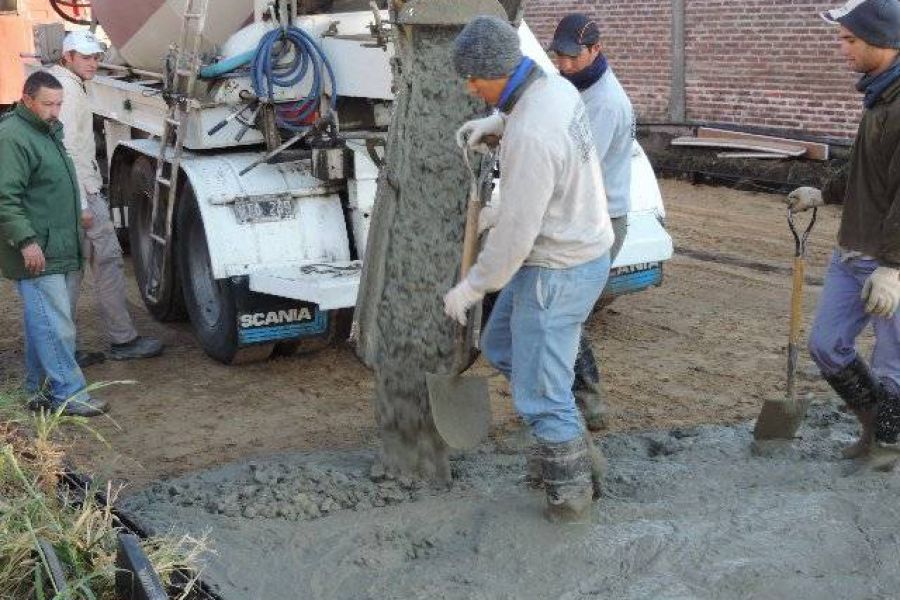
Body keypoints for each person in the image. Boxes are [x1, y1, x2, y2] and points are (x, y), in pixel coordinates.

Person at [447, 15, 614, 522]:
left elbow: (516, 235)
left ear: (499, 69)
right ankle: (571, 437)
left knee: (540, 394)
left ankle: (570, 498)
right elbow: (528, 117)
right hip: (574, 246)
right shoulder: (552, 89)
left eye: (475, 77)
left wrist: (474, 286)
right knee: (500, 346)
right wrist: (496, 123)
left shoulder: (533, 135)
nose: (470, 86)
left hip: (556, 270)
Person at [787, 0, 900, 459]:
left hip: (888, 257)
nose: (842, 47)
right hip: (852, 248)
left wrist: (893, 267)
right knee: (827, 344)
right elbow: (865, 168)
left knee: (893, 365)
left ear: (883, 40)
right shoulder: (879, 95)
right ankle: (877, 429)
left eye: (850, 39)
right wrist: (825, 192)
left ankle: (887, 449)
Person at [49, 30, 163, 365]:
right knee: (102, 263)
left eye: (96, 57)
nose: (93, 63)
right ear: (67, 56)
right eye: (85, 57)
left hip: (73, 192)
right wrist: (82, 204)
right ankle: (120, 340)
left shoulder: (65, 83)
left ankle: (67, 349)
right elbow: (66, 150)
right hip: (79, 192)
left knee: (78, 269)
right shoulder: (67, 91)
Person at [0, 71, 107, 416]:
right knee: (55, 325)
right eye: (48, 104)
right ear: (27, 99)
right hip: (37, 251)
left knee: (41, 323)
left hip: (55, 245)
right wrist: (27, 241)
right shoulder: (13, 137)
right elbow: (5, 197)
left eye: (59, 104)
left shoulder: (46, 131)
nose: (55, 111)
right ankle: (70, 395)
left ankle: (38, 389)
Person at [549, 13, 636, 431]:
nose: (563, 64)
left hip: (598, 221)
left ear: (596, 50)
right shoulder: (572, 85)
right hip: (577, 214)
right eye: (558, 55)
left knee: (565, 315)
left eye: (572, 56)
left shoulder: (605, 104)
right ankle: (574, 403)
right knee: (558, 314)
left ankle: (588, 405)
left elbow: (577, 173)